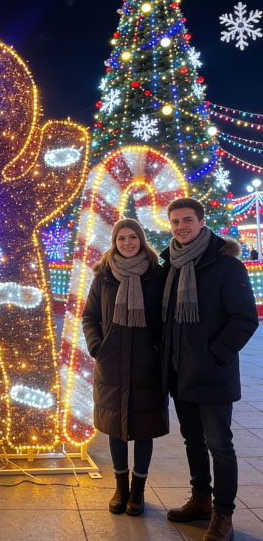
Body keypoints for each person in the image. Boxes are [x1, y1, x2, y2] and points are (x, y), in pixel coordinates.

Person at [160, 198, 258, 541]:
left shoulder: (226, 265)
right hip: (179, 373)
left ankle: (223, 514)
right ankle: (201, 498)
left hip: (213, 375)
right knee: (193, 441)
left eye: (187, 220)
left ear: (202, 222)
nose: (181, 227)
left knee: (220, 445)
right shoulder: (170, 264)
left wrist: (214, 355)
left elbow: (245, 318)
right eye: (175, 221)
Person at [83, 218, 168, 516]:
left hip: (148, 364)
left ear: (141, 240)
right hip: (112, 363)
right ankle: (121, 488)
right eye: (121, 238)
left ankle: (138, 491)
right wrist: (98, 347)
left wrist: (158, 350)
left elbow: (167, 317)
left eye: (133, 237)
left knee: (144, 428)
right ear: (114, 242)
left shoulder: (157, 274)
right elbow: (90, 316)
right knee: (115, 427)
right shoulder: (104, 276)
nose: (127, 243)